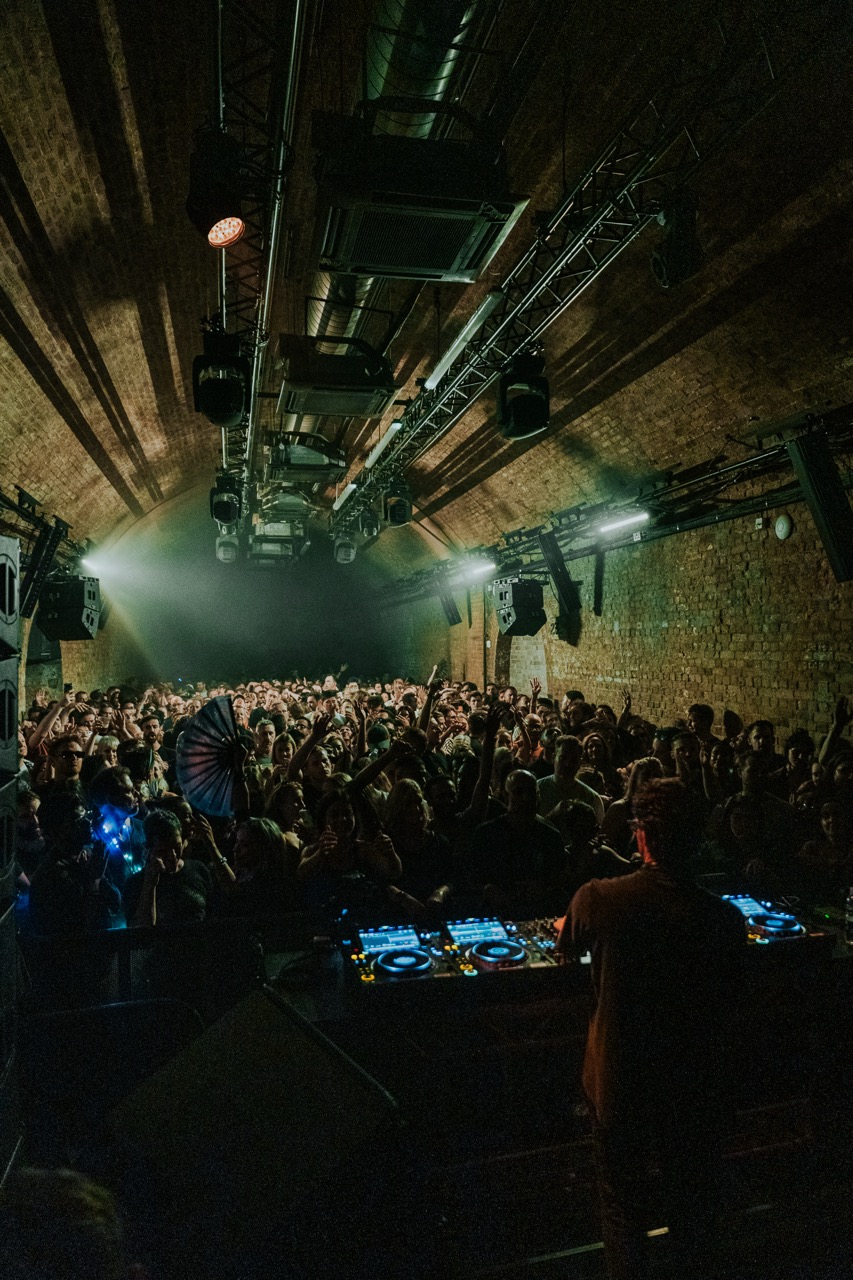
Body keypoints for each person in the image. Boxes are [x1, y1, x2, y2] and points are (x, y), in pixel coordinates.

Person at [558, 778, 746, 1279]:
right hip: (697, 1088)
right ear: (697, 837)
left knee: (624, 1217)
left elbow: (562, 944)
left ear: (639, 835)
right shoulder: (726, 920)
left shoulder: (598, 899)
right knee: (695, 1216)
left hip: (622, 1087)